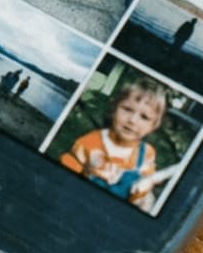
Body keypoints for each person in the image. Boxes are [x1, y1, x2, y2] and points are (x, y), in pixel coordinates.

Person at [60, 77, 168, 211]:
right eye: (127, 109)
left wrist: (142, 191)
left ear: (153, 126)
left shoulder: (146, 153)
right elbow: (65, 174)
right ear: (114, 108)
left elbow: (143, 189)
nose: (132, 120)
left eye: (144, 117)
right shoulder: (90, 142)